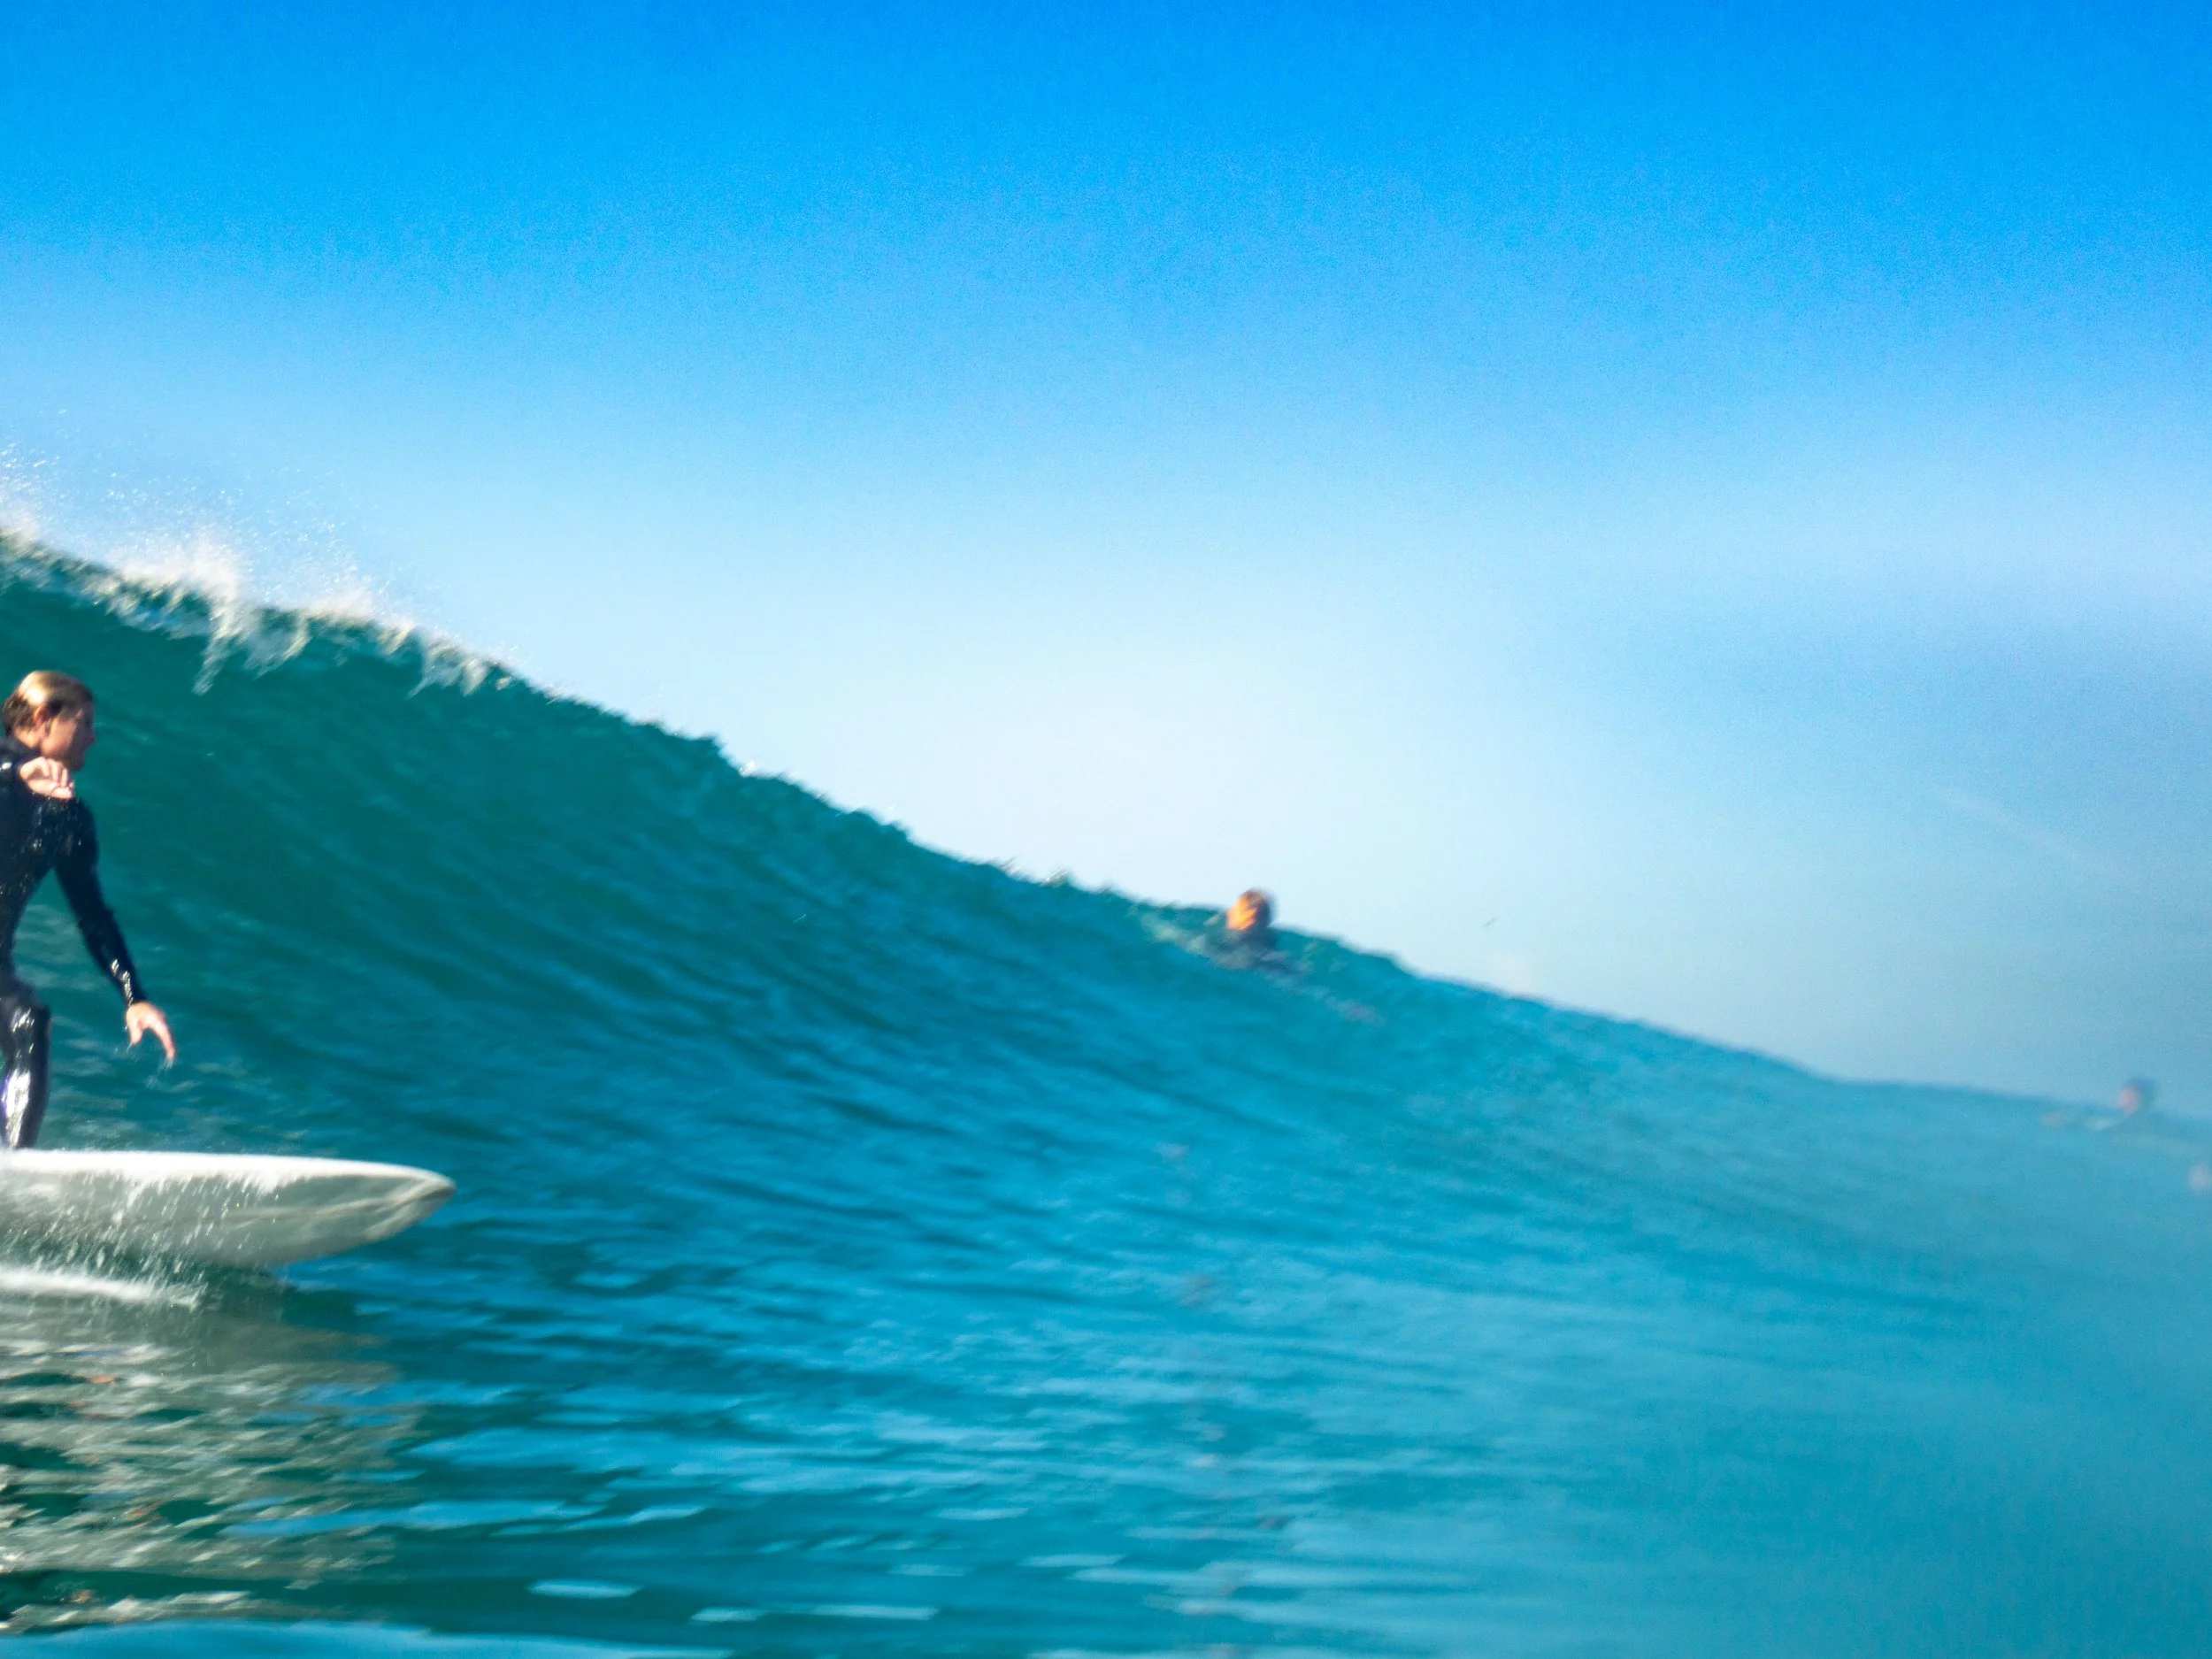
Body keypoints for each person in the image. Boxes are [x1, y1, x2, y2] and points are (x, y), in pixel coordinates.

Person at [0, 671, 175, 1148]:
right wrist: (15, 773)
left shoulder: (69, 815)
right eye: (85, 723)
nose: (94, 737)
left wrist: (133, 995)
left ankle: (11, 1168)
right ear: (43, 718)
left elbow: (92, 914)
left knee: (28, 1022)